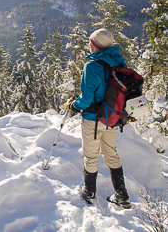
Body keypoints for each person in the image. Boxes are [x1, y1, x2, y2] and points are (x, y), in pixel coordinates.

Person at [65, 28, 131, 209]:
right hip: (112, 117)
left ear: (96, 46)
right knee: (111, 153)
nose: (89, 45)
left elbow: (86, 99)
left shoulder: (92, 66)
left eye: (91, 42)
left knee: (91, 155)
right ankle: (122, 195)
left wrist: (72, 106)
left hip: (93, 119)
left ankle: (89, 191)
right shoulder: (118, 62)